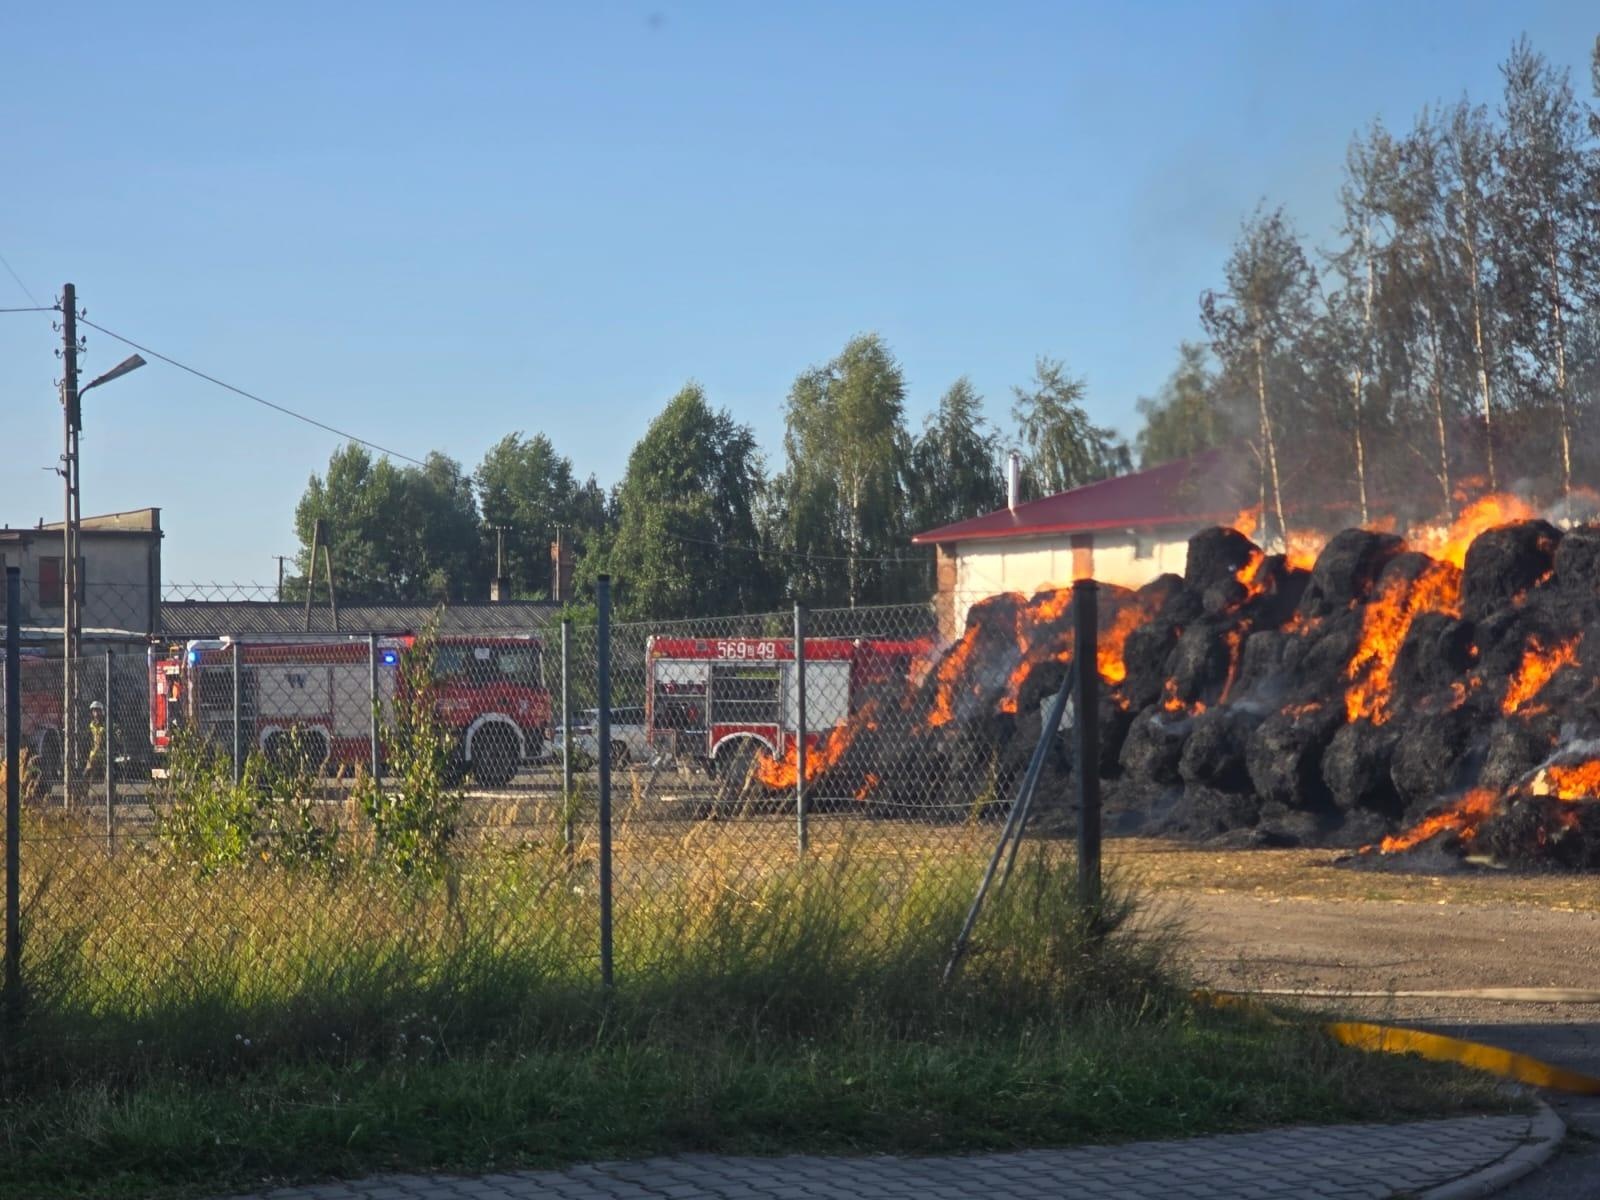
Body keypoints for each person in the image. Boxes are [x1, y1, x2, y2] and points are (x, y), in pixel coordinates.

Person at [85, 700, 106, 778]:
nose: (96, 713)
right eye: (94, 711)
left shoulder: (106, 724)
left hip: (105, 752)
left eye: (98, 711)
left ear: (102, 712)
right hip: (94, 752)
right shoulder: (91, 725)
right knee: (87, 772)